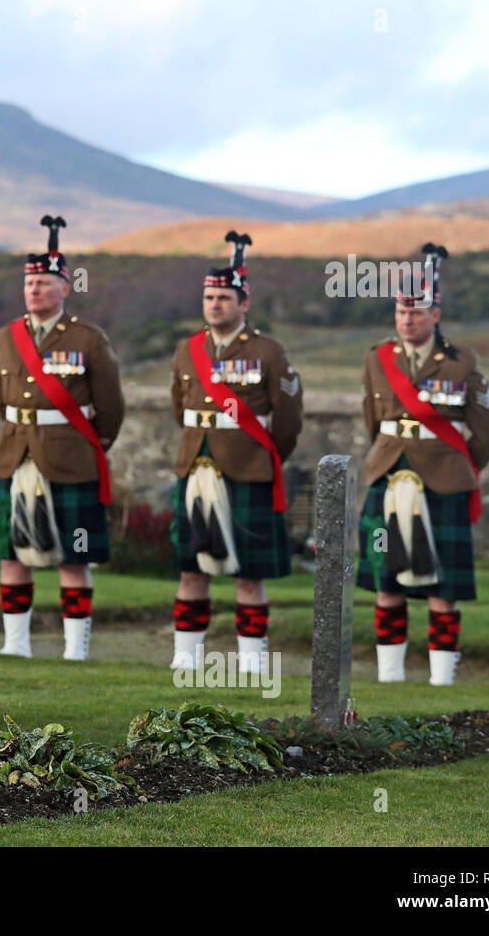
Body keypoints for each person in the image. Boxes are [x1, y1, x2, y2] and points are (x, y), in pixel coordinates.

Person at [357, 244, 489, 685]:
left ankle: (442, 681)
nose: (407, 320)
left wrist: (456, 468)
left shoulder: (462, 362)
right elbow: (373, 422)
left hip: (444, 483)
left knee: (444, 586)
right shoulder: (377, 360)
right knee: (387, 580)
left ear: (435, 314)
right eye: (401, 312)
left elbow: (487, 432)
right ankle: (389, 677)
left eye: (416, 312)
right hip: (387, 476)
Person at [0, 216, 124, 660]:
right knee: (12, 555)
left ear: (64, 288)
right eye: (30, 284)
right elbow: (1, 399)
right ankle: (15, 644)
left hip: (71, 458)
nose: (35, 291)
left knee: (74, 557)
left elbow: (111, 407)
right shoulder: (6, 337)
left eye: (45, 284)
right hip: (16, 455)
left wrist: (89, 446)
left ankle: (76, 650)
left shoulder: (88, 338)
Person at [168, 232, 303, 673]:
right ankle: (185, 661)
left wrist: (261, 457)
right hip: (194, 465)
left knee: (249, 573)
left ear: (244, 303)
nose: (214, 305)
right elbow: (179, 408)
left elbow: (287, 418)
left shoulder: (269, 351)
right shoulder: (188, 350)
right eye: (209, 297)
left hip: (247, 469)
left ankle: (252, 665)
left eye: (224, 297)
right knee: (192, 569)